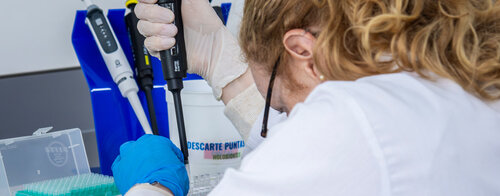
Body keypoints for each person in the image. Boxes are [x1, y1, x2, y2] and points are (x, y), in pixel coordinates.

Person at [111, 0, 500, 195]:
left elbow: (326, 143)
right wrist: (220, 64)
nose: (286, 125)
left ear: (301, 49)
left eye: (281, 108)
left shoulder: (351, 122)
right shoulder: (464, 81)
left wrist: (149, 187)